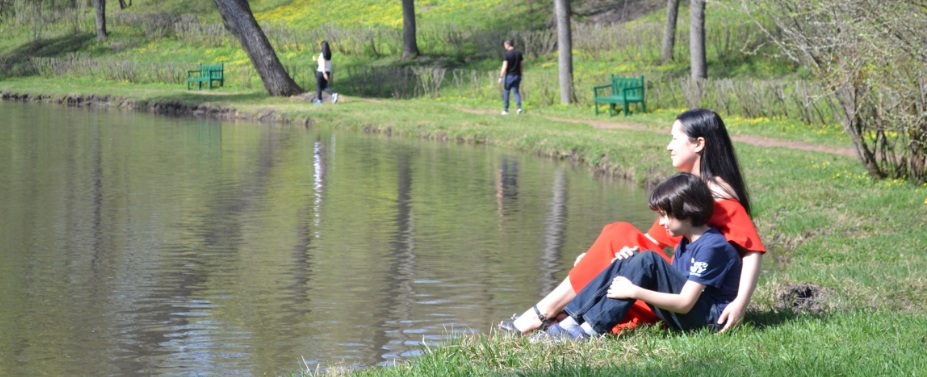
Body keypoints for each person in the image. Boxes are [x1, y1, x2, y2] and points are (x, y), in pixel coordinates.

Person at [499, 108, 765, 335]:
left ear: (698, 144)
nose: (668, 146)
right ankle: (558, 317)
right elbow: (651, 241)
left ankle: (543, 314)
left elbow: (751, 250)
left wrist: (740, 305)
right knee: (617, 237)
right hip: (679, 283)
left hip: (691, 296)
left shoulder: (719, 194)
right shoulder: (691, 189)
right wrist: (601, 259)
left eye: (674, 138)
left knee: (619, 232)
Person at [541, 172, 742, 340]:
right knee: (633, 258)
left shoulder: (712, 246)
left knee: (649, 259)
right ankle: (571, 321)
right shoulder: (685, 242)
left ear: (687, 213)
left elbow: (685, 302)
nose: (661, 223)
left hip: (710, 321)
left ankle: (587, 331)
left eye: (664, 215)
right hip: (693, 315)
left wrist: (635, 291)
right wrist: (627, 264)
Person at [497, 40, 523, 115]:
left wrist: (500, 76)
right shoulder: (519, 53)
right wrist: (521, 74)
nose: (505, 47)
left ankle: (506, 109)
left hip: (509, 76)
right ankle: (519, 108)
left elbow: (505, 66)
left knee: (506, 92)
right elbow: (521, 65)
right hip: (517, 75)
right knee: (516, 92)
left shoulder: (507, 54)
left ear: (508, 45)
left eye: (505, 45)